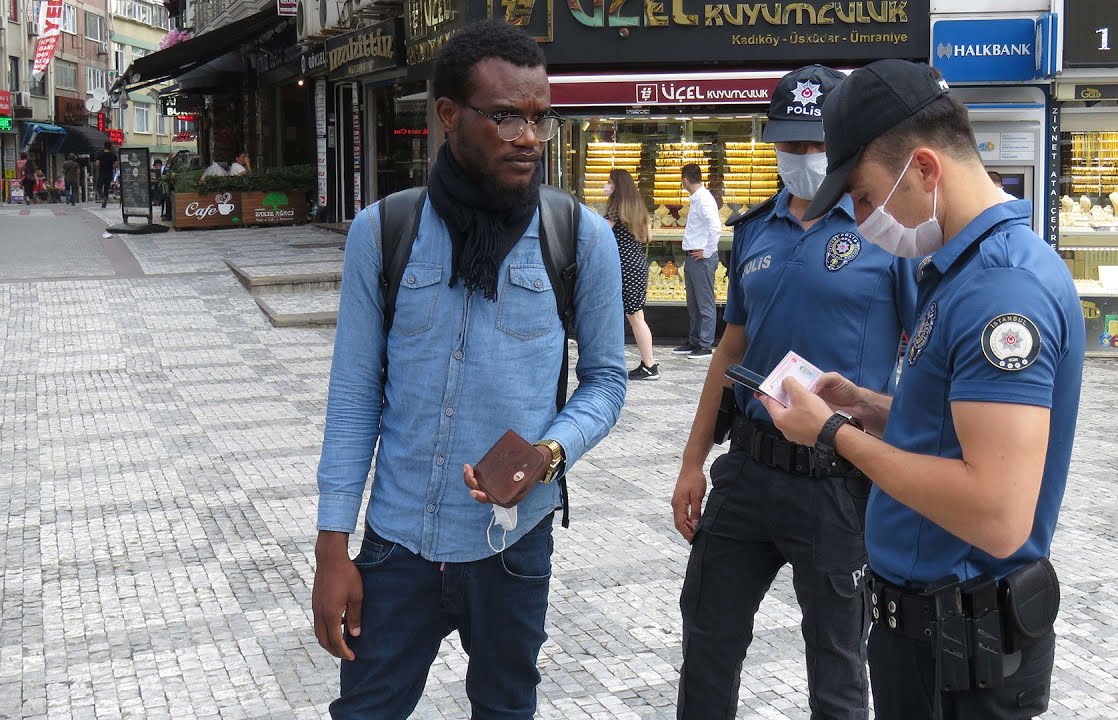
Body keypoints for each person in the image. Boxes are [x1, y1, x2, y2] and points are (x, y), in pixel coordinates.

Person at [311, 20, 627, 720]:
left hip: (512, 546)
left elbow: (607, 380)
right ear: (449, 116)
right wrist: (333, 548)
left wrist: (551, 451)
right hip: (397, 547)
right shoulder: (383, 232)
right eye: (506, 115)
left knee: (506, 709)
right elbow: (355, 396)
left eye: (540, 117)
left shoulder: (579, 237)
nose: (529, 137)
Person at [760, 59, 1084, 719]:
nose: (862, 218)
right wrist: (872, 407)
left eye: (868, 197)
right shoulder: (958, 270)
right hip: (929, 637)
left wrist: (832, 433)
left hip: (966, 652)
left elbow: (995, 514)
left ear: (926, 170)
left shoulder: (1001, 290)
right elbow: (955, 427)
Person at [673, 64, 916, 720]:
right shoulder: (753, 228)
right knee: (706, 639)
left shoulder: (890, 233)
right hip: (748, 471)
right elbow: (731, 350)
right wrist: (693, 461)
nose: (802, 158)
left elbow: (928, 359)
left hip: (837, 481)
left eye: (815, 145)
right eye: (789, 143)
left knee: (838, 663)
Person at [605, 168, 660, 380]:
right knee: (638, 315)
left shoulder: (615, 208)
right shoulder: (637, 208)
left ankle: (650, 365)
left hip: (623, 266)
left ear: (617, 185)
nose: (607, 185)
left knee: (635, 317)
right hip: (637, 263)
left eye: (609, 182)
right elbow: (649, 237)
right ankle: (648, 363)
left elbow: (601, 231)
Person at [674, 163, 722, 359]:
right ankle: (694, 340)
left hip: (701, 258)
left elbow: (715, 227)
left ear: (685, 180)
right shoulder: (698, 199)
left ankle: (705, 344)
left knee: (704, 303)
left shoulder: (704, 200)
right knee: (693, 303)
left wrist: (707, 252)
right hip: (694, 257)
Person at [94, 141, 117, 208]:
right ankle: (105, 203)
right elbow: (115, 165)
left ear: (104, 146)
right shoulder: (113, 155)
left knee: (99, 187)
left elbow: (97, 164)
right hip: (109, 173)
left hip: (102, 173)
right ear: (110, 147)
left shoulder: (100, 154)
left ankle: (103, 197)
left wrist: (101, 166)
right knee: (106, 188)